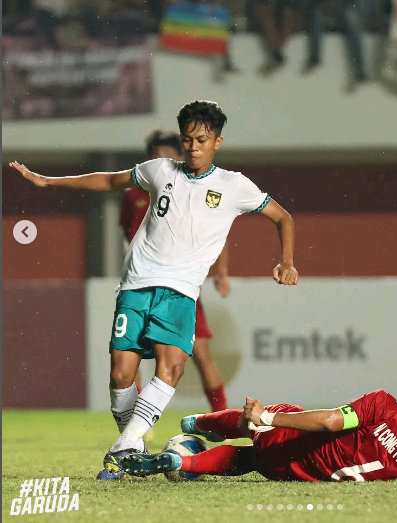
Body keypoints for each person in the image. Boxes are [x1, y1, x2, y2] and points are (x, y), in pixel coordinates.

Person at [9, 100, 299, 480]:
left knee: (173, 367)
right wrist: (48, 181)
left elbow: (282, 216)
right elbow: (108, 180)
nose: (193, 147)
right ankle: (133, 446)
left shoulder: (234, 185)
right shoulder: (159, 170)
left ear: (218, 142)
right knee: (120, 376)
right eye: (187, 140)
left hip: (180, 293)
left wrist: (288, 261)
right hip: (136, 285)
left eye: (202, 140)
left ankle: (120, 452)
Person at [121, 370, 397, 482]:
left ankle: (201, 423)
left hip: (289, 441)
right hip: (293, 474)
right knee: (251, 460)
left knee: (281, 412)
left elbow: (331, 421)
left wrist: (267, 417)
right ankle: (185, 464)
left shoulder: (385, 404)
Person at [120, 129, 230, 414]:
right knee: (131, 354)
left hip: (180, 283)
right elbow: (127, 230)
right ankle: (138, 422)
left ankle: (221, 419)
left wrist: (222, 271)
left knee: (201, 354)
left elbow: (216, 231)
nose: (164, 162)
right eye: (158, 157)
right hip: (141, 283)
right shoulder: (133, 194)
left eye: (169, 155)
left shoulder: (193, 190)